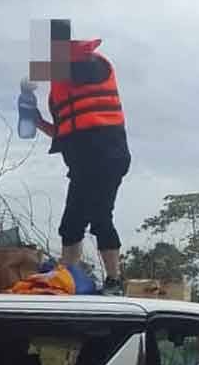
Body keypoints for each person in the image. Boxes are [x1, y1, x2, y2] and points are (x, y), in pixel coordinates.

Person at [34, 21, 131, 295]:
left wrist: (46, 64)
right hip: (82, 164)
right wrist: (38, 121)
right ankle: (69, 278)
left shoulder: (91, 65)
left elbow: (73, 68)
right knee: (72, 222)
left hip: (107, 156)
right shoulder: (62, 83)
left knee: (100, 217)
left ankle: (114, 281)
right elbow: (65, 132)